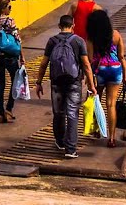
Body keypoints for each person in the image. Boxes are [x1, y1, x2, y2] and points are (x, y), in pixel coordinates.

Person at [35, 14, 96, 158]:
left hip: (56, 82)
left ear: (59, 26)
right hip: (74, 82)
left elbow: (44, 64)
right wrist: (91, 85)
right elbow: (86, 65)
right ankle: (70, 149)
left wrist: (38, 83)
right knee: (72, 114)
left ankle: (60, 142)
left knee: (58, 113)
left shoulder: (52, 41)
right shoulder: (79, 41)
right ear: (73, 25)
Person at [85, 9, 126, 148]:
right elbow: (122, 57)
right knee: (111, 104)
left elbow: (90, 60)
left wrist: (89, 78)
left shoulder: (91, 37)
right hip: (115, 70)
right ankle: (112, 138)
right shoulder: (116, 35)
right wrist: (125, 76)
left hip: (100, 70)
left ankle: (97, 131)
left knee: (97, 100)